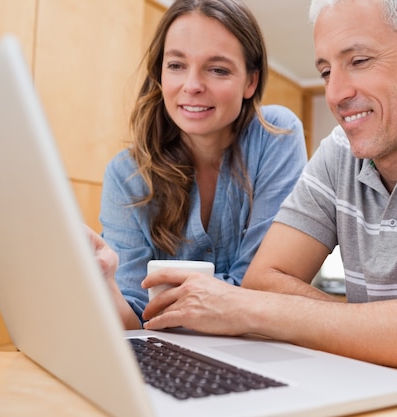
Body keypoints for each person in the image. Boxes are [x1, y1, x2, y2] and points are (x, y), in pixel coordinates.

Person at [96, 0, 397, 415]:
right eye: (325, 71)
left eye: (358, 61)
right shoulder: (339, 155)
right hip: (386, 400)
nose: (336, 93)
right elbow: (264, 283)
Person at [90, 0, 308, 331]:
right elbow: (135, 319)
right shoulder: (127, 175)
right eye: (176, 65)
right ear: (160, 73)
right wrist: (105, 281)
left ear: (250, 82)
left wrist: (163, 299)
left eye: (218, 69)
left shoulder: (275, 136)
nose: (192, 85)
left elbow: (264, 289)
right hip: (167, 359)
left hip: (258, 351)